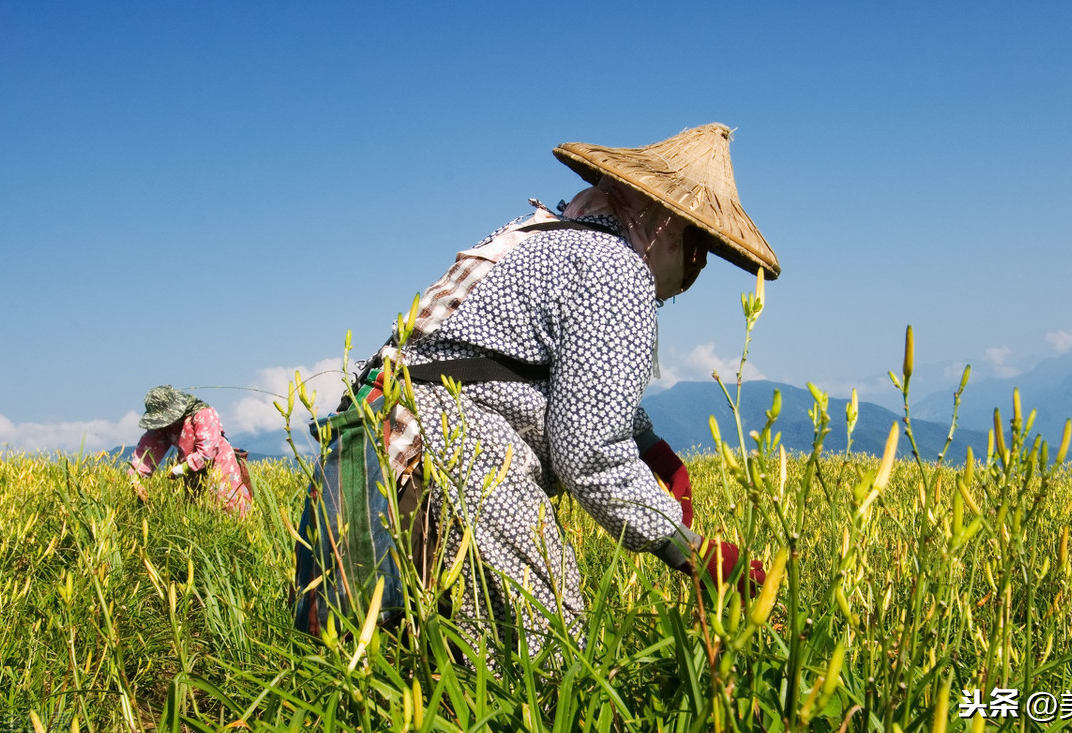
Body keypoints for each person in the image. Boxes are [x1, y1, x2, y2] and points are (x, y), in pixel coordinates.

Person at [298, 124, 780, 654]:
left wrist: (656, 453)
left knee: (403, 660)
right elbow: (589, 453)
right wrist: (693, 552)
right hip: (450, 448)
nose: (700, 266)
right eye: (699, 246)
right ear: (665, 224)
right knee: (544, 644)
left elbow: (552, 375)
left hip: (380, 439)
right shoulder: (616, 270)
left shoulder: (547, 235)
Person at [127, 385, 253, 515]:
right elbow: (147, 450)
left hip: (218, 463)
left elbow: (208, 450)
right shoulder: (164, 426)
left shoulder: (202, 413)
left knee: (225, 502)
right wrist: (136, 477)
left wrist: (181, 469)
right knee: (197, 508)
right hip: (191, 469)